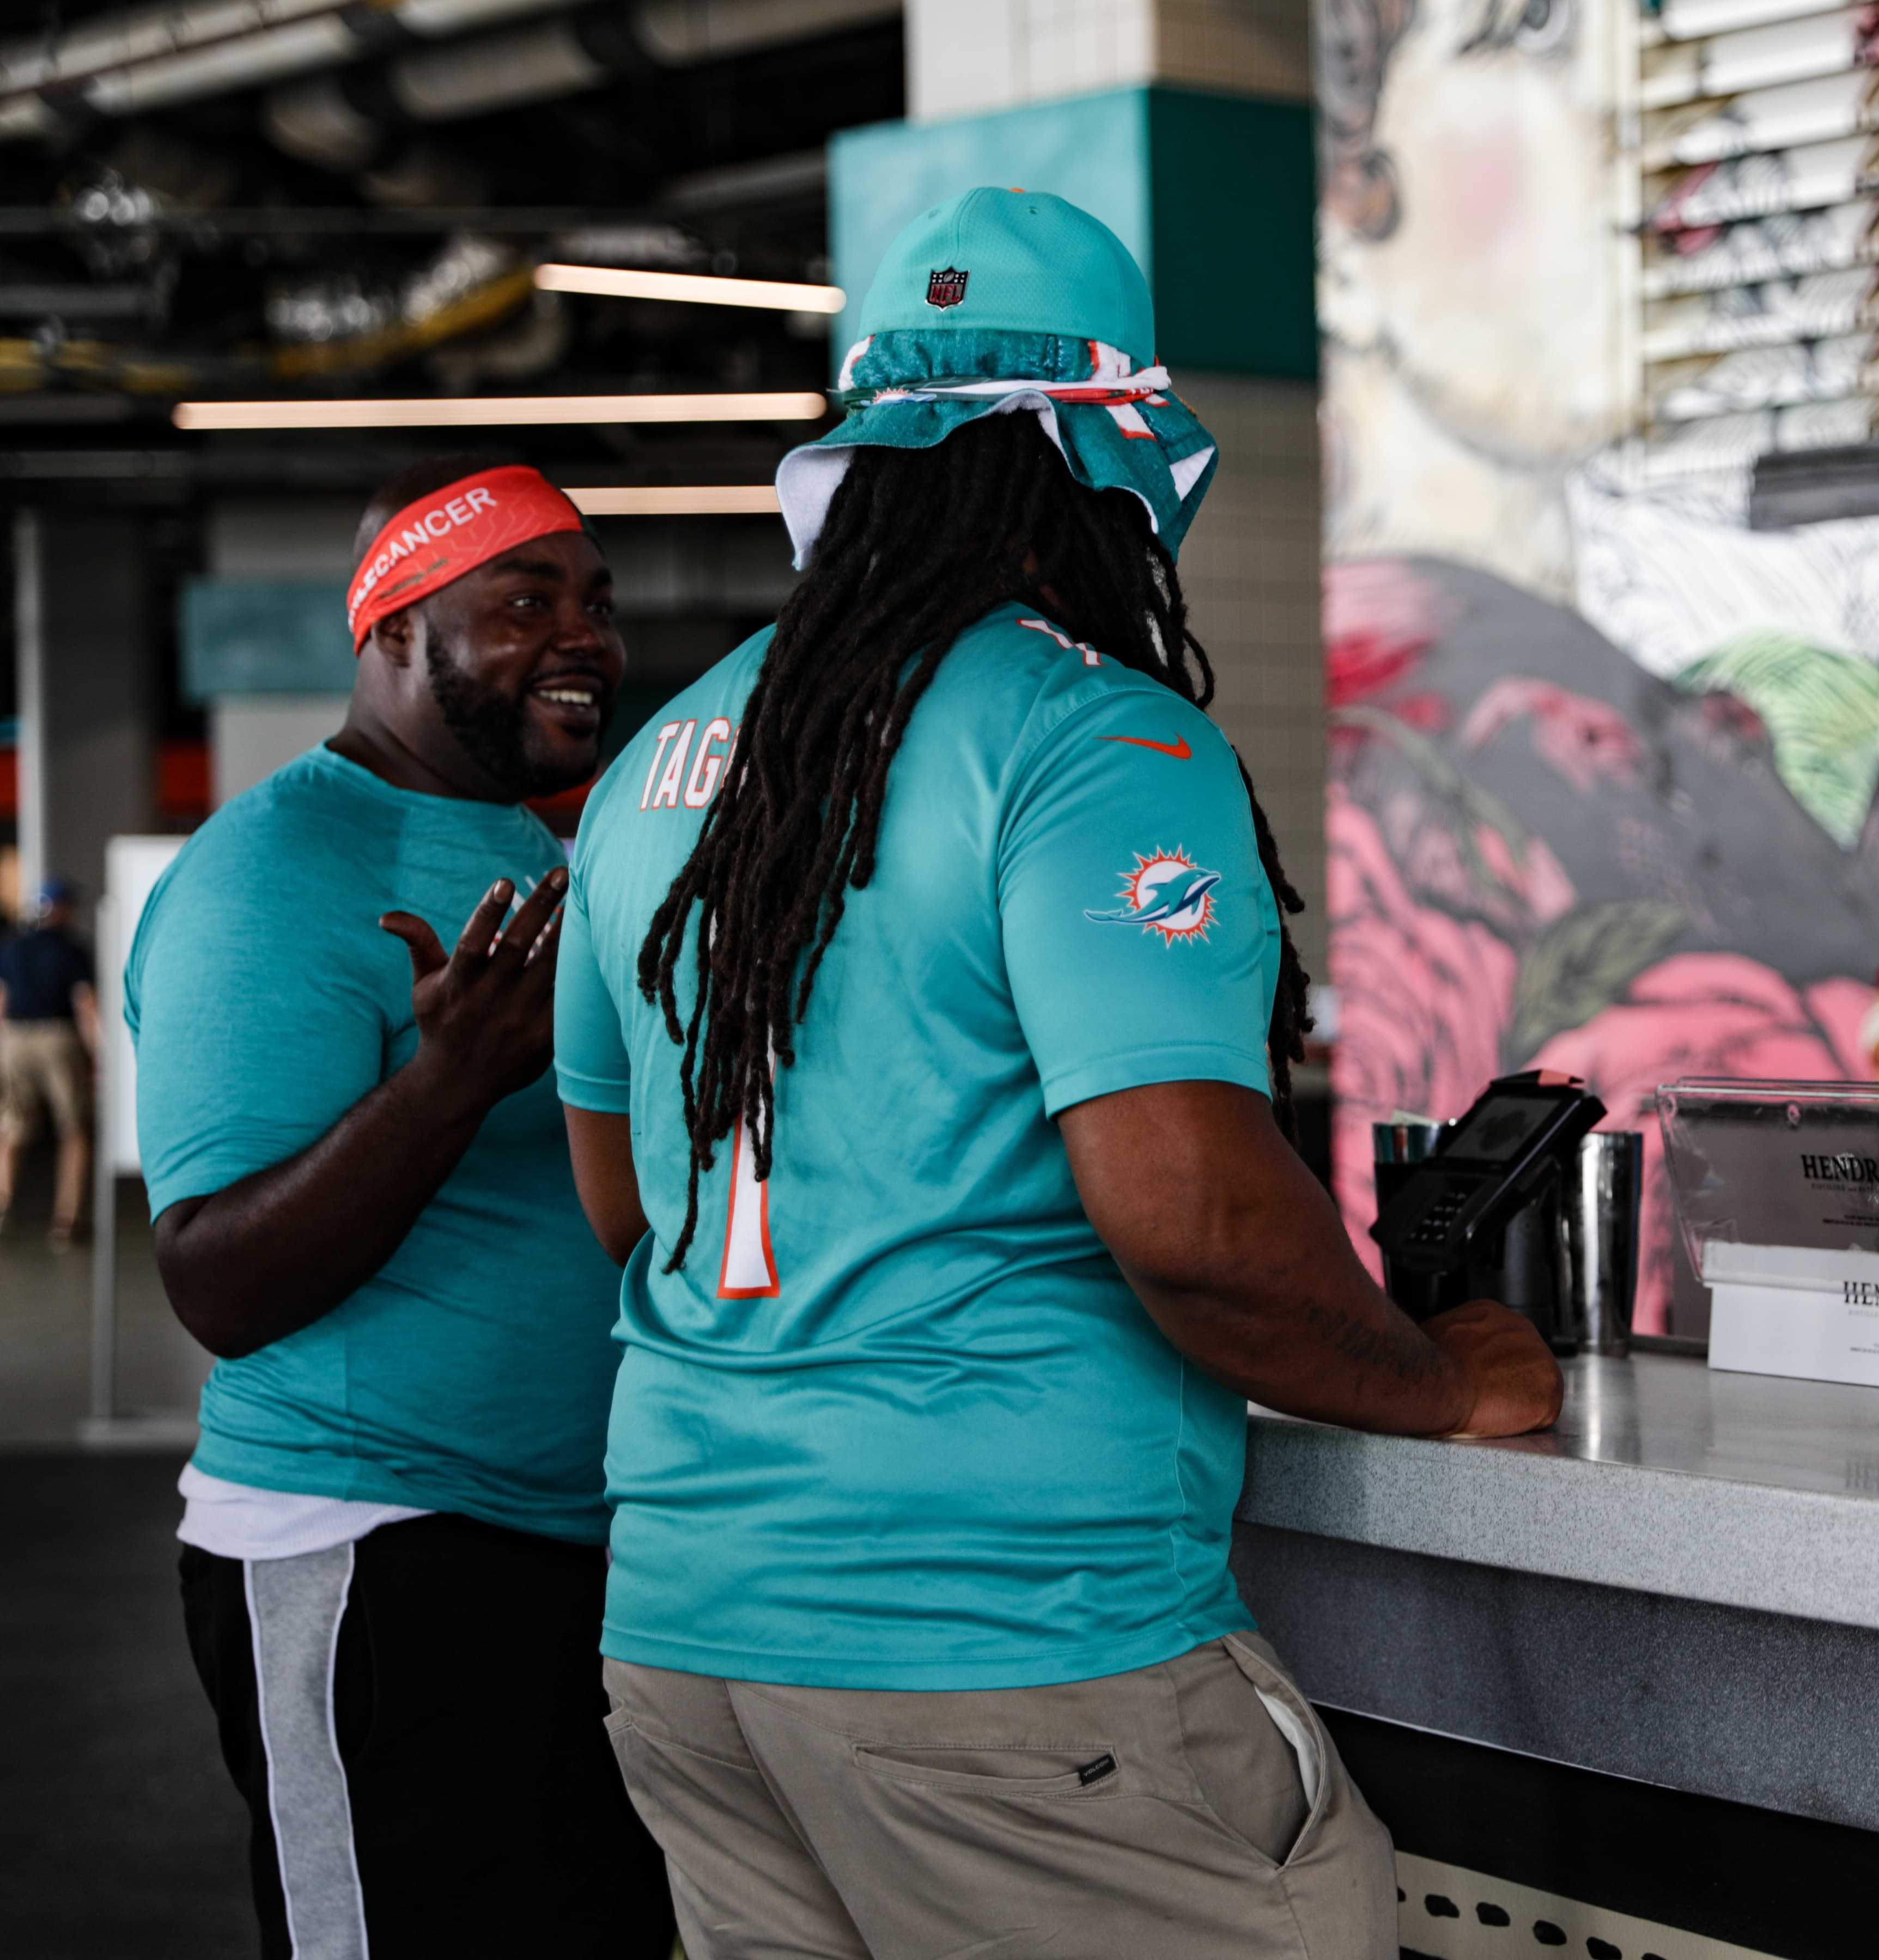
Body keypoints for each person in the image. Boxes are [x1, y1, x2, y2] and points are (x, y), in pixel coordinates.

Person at [555, 189, 1562, 1960]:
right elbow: (1188, 1218)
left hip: (691, 1639)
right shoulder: (1093, 734)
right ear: (1101, 456)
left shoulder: (651, 768)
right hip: (1012, 1665)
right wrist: (1439, 1377)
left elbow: (626, 1197)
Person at [125, 455, 672, 1958]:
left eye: (596, 600)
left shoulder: (549, 849)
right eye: (522, 602)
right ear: (393, 639)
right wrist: (449, 1081)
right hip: (369, 1549)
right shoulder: (282, 868)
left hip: (572, 1551)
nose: (584, 637)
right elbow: (218, 1282)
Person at [0, 874, 97, 1244]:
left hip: (15, 1040)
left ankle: (3, 1206)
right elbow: (85, 1003)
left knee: (12, 1128)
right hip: (58, 1039)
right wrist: (97, 1053)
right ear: (63, 908)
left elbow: (2, 1001)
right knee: (73, 1130)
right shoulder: (72, 950)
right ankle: (67, 1220)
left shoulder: (11, 948)